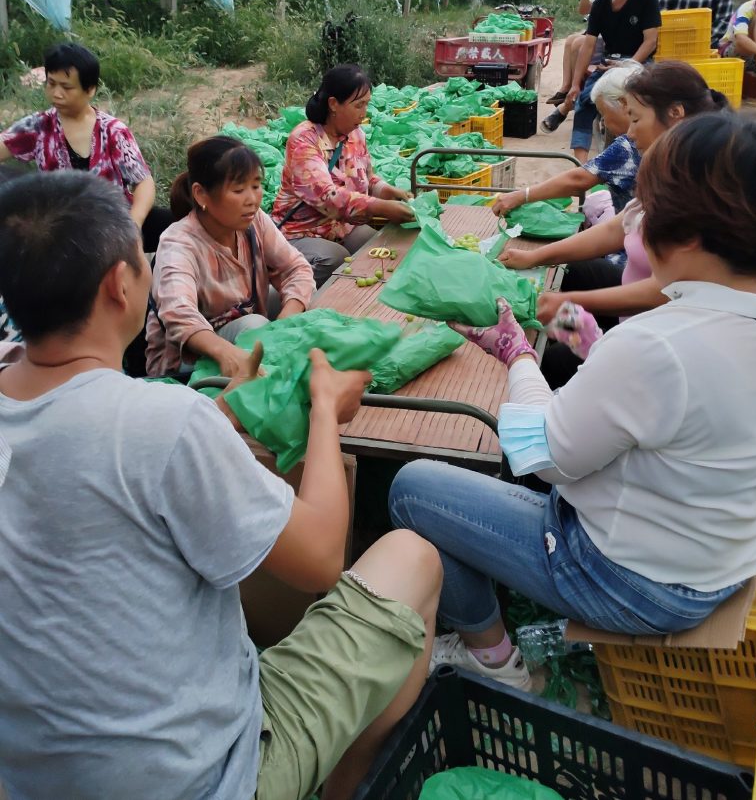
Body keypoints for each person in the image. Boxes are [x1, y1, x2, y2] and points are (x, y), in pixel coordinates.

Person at [0, 170, 442, 800]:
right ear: (118, 286)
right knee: (413, 558)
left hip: (42, 778)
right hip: (208, 779)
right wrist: (323, 410)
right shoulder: (161, 422)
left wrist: (224, 413)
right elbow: (319, 559)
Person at [389, 110, 756, 690]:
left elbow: (542, 454)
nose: (637, 222)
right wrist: (577, 331)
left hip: (636, 583)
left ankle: (496, 662)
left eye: (649, 207)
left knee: (414, 488)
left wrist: (517, 355)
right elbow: (674, 404)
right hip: (725, 555)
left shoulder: (660, 343)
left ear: (684, 234)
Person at [499, 62, 726, 328]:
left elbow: (669, 290)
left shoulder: (698, 189)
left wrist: (571, 303)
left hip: (653, 330)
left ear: (675, 113)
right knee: (563, 282)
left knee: (551, 350)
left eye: (636, 119)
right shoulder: (669, 171)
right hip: (634, 318)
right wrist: (535, 257)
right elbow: (616, 229)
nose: (629, 132)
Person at [146, 135, 316, 379]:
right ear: (202, 195)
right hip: (185, 361)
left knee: (303, 307)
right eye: (238, 189)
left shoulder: (253, 221)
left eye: (256, 186)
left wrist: (286, 318)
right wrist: (226, 353)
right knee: (255, 327)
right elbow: (179, 313)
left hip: (241, 333)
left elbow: (295, 268)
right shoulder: (179, 243)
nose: (252, 199)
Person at [0, 42, 164, 247]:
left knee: (176, 228)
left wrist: (134, 222)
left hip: (113, 223)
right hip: (60, 230)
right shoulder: (39, 126)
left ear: (90, 90)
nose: (56, 94)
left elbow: (143, 182)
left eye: (66, 87)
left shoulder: (112, 130)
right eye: (51, 84)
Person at [272, 65, 414, 286]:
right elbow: (328, 198)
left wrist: (388, 192)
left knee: (380, 245)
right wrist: (381, 207)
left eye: (366, 104)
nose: (363, 112)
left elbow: (368, 179)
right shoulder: (304, 140)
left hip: (341, 227)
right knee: (334, 258)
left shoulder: (355, 134)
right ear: (333, 104)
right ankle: (297, 296)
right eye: (358, 105)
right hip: (302, 232)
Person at [494, 65, 639, 219]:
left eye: (604, 113)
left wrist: (521, 196)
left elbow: (578, 180)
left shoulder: (627, 146)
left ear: (624, 105)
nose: (604, 121)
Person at [561, 0, 661, 163]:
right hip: (609, 63)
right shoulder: (599, 4)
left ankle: (645, 155)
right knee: (585, 100)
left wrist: (628, 65)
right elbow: (588, 46)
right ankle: (580, 165)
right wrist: (576, 84)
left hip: (640, 61)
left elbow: (650, 41)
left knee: (640, 103)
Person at [546, 0, 609, 108]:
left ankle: (577, 89)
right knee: (570, 40)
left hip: (607, 39)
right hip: (596, 34)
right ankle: (566, 86)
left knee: (577, 43)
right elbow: (583, 10)